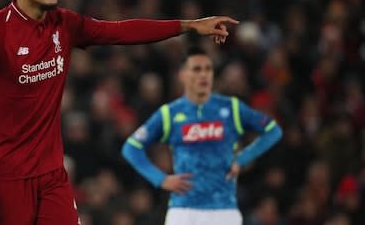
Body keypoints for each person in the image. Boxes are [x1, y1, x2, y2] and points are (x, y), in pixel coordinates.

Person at [0, 0, 238, 225]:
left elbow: (120, 31)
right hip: (4, 175)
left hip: (51, 172)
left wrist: (188, 25)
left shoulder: (64, 24)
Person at [121, 46, 283, 225]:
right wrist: (160, 179)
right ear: (182, 75)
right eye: (197, 69)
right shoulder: (170, 114)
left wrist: (243, 159)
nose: (204, 75)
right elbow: (131, 148)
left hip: (224, 210)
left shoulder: (231, 108)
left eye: (208, 69)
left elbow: (273, 131)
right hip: (183, 210)